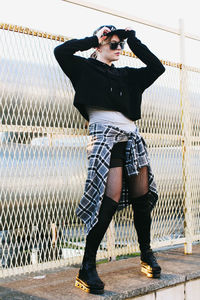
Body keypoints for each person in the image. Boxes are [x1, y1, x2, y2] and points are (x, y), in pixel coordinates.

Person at [54, 25, 165, 294]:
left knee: (142, 196)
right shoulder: (84, 68)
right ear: (99, 45)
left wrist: (133, 40)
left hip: (131, 135)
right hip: (105, 134)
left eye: (120, 45)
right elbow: (61, 51)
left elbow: (156, 68)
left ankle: (146, 254)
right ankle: (87, 267)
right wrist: (95, 37)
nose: (118, 49)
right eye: (112, 43)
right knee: (110, 198)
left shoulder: (127, 75)